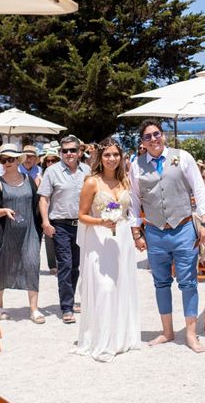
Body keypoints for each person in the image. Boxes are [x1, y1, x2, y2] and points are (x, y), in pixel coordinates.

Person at [129, 119, 205, 353]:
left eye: (156, 134)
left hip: (184, 228)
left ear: (162, 135)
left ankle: (191, 335)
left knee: (188, 282)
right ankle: (167, 331)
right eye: (147, 137)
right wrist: (136, 232)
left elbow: (199, 189)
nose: (153, 139)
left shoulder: (182, 156)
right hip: (155, 231)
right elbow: (134, 201)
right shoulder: (136, 166)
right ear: (142, 142)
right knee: (161, 282)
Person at [73, 137, 140, 361]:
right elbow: (81, 215)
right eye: (107, 155)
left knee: (122, 286)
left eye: (115, 154)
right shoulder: (92, 182)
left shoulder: (125, 181)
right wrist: (101, 222)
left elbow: (130, 213)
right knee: (105, 288)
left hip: (121, 240)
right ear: (100, 158)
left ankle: (120, 338)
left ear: (121, 157)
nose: (112, 159)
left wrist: (136, 234)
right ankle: (101, 340)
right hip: (99, 240)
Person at [0, 144, 44, 324]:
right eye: (4, 159)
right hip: (4, 234)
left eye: (11, 159)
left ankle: (34, 309)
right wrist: (3, 211)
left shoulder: (29, 180)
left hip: (29, 232)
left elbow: (37, 206)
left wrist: (44, 225)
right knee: (1, 267)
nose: (7, 162)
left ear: (18, 160)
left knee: (32, 264)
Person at [38, 135, 90, 324]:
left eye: (72, 150)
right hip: (60, 225)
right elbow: (43, 199)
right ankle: (66, 307)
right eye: (65, 150)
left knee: (76, 266)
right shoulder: (52, 171)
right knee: (65, 265)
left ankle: (71, 299)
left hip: (82, 225)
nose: (69, 154)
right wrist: (45, 222)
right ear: (60, 152)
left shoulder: (88, 170)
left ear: (79, 152)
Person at [41, 149, 61, 275]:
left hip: (59, 209)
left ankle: (61, 264)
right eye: (47, 161)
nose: (50, 163)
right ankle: (52, 265)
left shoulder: (63, 173)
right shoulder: (42, 175)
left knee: (60, 237)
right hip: (47, 208)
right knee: (49, 238)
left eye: (53, 160)